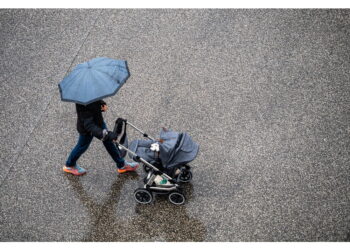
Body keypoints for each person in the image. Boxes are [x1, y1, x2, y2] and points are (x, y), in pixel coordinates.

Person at [63, 100, 139, 176]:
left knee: (109, 142)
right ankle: (70, 165)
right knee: (82, 146)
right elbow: (89, 125)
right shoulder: (83, 101)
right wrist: (106, 134)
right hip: (87, 130)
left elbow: (95, 99)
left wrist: (101, 103)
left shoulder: (91, 91)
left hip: (98, 121)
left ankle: (121, 164)